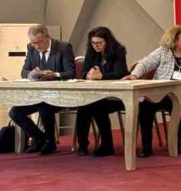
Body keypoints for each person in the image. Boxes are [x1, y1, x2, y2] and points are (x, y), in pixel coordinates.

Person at [124, 25, 181, 157]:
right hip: (161, 93)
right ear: (175, 40)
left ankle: (178, 142)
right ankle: (146, 147)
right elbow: (145, 64)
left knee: (178, 106)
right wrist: (134, 75)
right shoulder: (162, 52)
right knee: (145, 109)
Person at [9, 24, 76, 155]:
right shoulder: (31, 48)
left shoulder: (63, 47)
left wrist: (55, 74)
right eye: (33, 43)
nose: (36, 46)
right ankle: (40, 137)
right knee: (15, 112)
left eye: (39, 42)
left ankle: (50, 142)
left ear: (47, 37)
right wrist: (32, 74)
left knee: (45, 108)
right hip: (39, 95)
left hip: (60, 95)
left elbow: (71, 73)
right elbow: (24, 71)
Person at [74, 27, 128, 157]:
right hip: (97, 95)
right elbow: (84, 73)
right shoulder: (91, 52)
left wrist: (101, 76)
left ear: (107, 42)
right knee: (84, 106)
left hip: (116, 96)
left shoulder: (118, 51)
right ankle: (82, 145)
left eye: (99, 43)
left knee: (97, 107)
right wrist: (88, 75)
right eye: (93, 43)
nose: (96, 46)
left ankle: (107, 145)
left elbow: (120, 73)